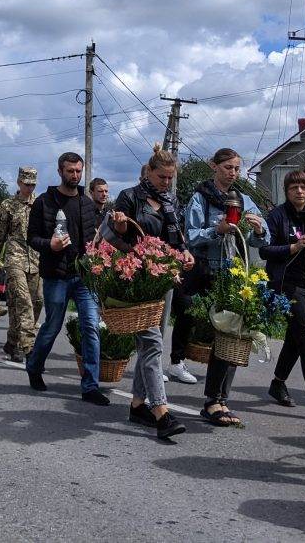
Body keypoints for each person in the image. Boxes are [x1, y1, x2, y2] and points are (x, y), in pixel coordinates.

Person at [178, 148, 267, 424]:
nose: (233, 173)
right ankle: (212, 399)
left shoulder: (243, 199)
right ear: (214, 167)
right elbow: (191, 236)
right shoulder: (200, 198)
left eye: (237, 168)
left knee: (232, 336)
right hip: (207, 273)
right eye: (228, 167)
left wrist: (259, 229)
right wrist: (216, 231)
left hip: (233, 275)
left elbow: (260, 239)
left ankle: (219, 400)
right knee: (219, 334)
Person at [111, 146, 194, 439]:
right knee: (153, 343)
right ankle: (161, 413)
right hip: (135, 279)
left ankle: (137, 405)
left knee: (151, 344)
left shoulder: (171, 201)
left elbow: (177, 236)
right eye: (162, 177)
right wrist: (122, 228)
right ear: (149, 172)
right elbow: (114, 236)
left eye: (170, 178)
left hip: (162, 279)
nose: (166, 183)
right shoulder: (129, 197)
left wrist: (184, 253)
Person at [24, 151, 108, 406]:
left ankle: (90, 386)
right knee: (53, 325)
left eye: (78, 171)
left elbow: (94, 238)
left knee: (91, 326)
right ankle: (34, 366)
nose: (75, 175)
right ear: (60, 171)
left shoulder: (86, 203)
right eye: (70, 171)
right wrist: (50, 245)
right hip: (56, 275)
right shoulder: (44, 202)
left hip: (83, 276)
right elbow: (32, 238)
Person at [259, 171, 305, 421]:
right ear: (286, 192)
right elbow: (265, 250)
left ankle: (278, 383)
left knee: (295, 337)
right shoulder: (277, 216)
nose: (299, 191)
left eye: (303, 187)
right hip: (287, 285)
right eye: (293, 188)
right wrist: (293, 247)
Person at [0, 167, 42, 363]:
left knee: (37, 301)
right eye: (26, 184)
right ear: (19, 183)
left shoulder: (40, 204)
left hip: (36, 258)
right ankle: (27, 346)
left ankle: (12, 341)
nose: (30, 188)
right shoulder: (8, 205)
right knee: (22, 300)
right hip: (15, 257)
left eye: (33, 184)